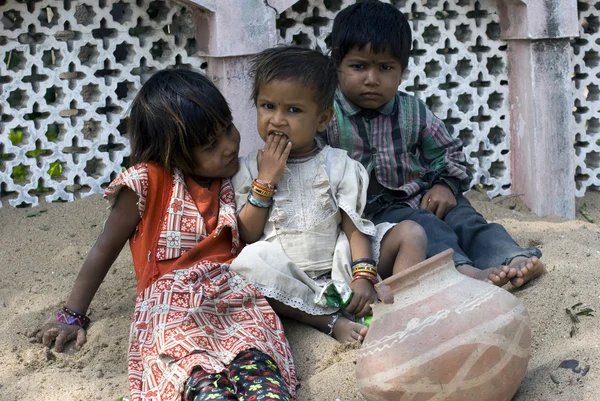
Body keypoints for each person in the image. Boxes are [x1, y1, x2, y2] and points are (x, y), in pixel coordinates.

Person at [34, 69, 296, 401]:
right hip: (170, 311)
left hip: (235, 300)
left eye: (228, 128)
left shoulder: (235, 174)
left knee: (262, 378)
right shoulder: (148, 182)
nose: (229, 146)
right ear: (173, 153)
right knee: (200, 385)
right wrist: (71, 315)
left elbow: (247, 234)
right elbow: (104, 249)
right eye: (211, 144)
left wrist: (264, 182)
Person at [322, 0, 546, 288]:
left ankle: (510, 257)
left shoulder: (412, 111)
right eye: (358, 66)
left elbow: (451, 153)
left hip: (425, 195)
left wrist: (445, 186)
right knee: (428, 228)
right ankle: (462, 271)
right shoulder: (326, 116)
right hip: (375, 217)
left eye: (385, 67)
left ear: (402, 70)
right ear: (336, 65)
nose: (371, 79)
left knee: (467, 219)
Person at [230, 46, 427, 344]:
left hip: (340, 267)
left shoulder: (338, 164)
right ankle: (327, 320)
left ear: (323, 119)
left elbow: (353, 226)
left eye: (293, 110)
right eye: (267, 106)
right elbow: (247, 232)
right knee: (247, 263)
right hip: (288, 278)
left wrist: (363, 275)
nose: (278, 120)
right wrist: (266, 180)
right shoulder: (248, 168)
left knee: (412, 233)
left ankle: (398, 311)